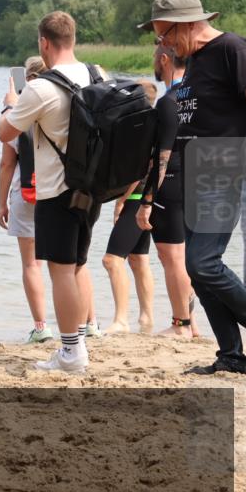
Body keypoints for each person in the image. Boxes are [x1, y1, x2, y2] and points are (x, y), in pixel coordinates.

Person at [138, 0, 246, 374]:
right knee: (196, 268)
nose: (164, 46)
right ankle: (231, 355)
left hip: (223, 167)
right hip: (194, 174)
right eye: (160, 39)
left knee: (203, 263)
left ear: (188, 23)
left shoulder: (231, 49)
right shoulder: (197, 60)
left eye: (165, 35)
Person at [0, 11, 101, 373]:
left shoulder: (40, 88)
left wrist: (11, 102)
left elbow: (5, 133)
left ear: (43, 43)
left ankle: (71, 352)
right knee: (78, 267)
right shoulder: (96, 74)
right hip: (92, 190)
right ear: (72, 39)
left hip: (56, 191)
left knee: (60, 271)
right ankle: (82, 341)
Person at [136, 45, 200, 338]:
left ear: (164, 59)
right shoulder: (197, 96)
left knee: (171, 256)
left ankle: (181, 324)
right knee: (185, 256)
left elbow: (161, 157)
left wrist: (146, 200)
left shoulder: (169, 101)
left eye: (155, 58)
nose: (154, 63)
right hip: (198, 180)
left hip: (171, 181)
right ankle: (192, 322)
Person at [0, 56, 51, 343]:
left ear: (26, 81)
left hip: (28, 194)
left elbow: (7, 164)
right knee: (73, 263)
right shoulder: (61, 103)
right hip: (61, 192)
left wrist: (1, 203)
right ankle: (88, 323)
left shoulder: (17, 114)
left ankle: (41, 328)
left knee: (32, 265)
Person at [100, 80, 158, 336]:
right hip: (149, 197)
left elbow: (141, 166)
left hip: (137, 198)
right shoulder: (156, 122)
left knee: (112, 260)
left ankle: (121, 320)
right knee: (138, 259)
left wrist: (122, 199)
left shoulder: (141, 126)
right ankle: (146, 319)